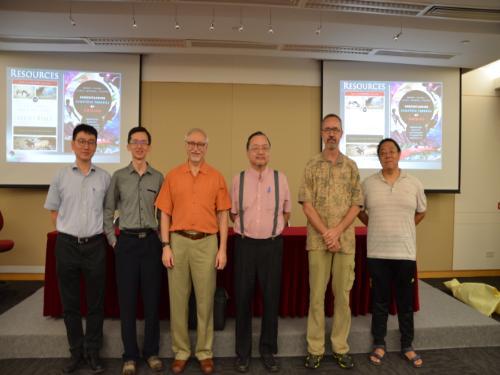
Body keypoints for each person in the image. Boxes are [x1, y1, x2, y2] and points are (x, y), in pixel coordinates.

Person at [155, 128, 231, 375]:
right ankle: (181, 351)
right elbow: (164, 213)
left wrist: (222, 249)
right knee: (178, 301)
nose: (196, 148)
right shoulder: (173, 176)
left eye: (200, 144)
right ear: (185, 145)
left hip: (207, 243)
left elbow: (222, 215)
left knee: (205, 300)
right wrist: (166, 246)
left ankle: (204, 352)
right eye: (191, 143)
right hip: (178, 241)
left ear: (206, 147)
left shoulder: (217, 177)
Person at [298, 114, 363, 370]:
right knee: (316, 296)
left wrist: (336, 232)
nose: (331, 134)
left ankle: (340, 347)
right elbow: (306, 204)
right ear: (321, 133)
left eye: (335, 129)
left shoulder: (351, 166)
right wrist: (327, 232)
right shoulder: (311, 165)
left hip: (345, 242)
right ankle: (315, 348)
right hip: (317, 241)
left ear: (342, 133)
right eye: (327, 130)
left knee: (342, 297)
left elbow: (357, 204)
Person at [44, 124, 111, 374]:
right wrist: (69, 231)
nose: (86, 146)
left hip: (95, 245)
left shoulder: (105, 178)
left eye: (91, 141)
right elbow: (54, 211)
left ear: (96, 146)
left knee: (95, 303)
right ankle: (75, 353)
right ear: (72, 145)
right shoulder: (60, 176)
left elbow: (107, 212)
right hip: (67, 246)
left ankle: (93, 352)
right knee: (70, 304)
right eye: (81, 141)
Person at [358, 138, 426, 368]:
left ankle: (407, 345)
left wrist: (404, 228)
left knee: (405, 304)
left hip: (405, 253)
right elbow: (360, 212)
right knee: (380, 302)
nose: (387, 155)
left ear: (399, 155)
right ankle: (379, 343)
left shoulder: (414, 183)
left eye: (392, 151)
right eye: (383, 152)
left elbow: (421, 212)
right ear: (378, 157)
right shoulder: (368, 184)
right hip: (377, 253)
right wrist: (376, 225)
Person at [103, 127, 164, 375]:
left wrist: (163, 241)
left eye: (144, 142)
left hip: (150, 243)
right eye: (135, 142)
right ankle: (129, 356)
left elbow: (164, 214)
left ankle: (151, 353)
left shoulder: (158, 177)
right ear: (128, 146)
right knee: (126, 302)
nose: (139, 146)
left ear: (149, 146)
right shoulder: (118, 177)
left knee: (152, 301)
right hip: (126, 244)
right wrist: (112, 240)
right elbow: (108, 211)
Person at [230, 131, 292, 373]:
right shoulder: (238, 179)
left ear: (269, 151)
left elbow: (287, 211)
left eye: (264, 147)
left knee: (270, 299)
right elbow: (233, 213)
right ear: (247, 152)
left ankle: (268, 350)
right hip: (245, 245)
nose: (260, 151)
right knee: (243, 298)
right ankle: (242, 353)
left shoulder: (281, 178)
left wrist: (274, 228)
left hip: (271, 246)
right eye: (255, 147)